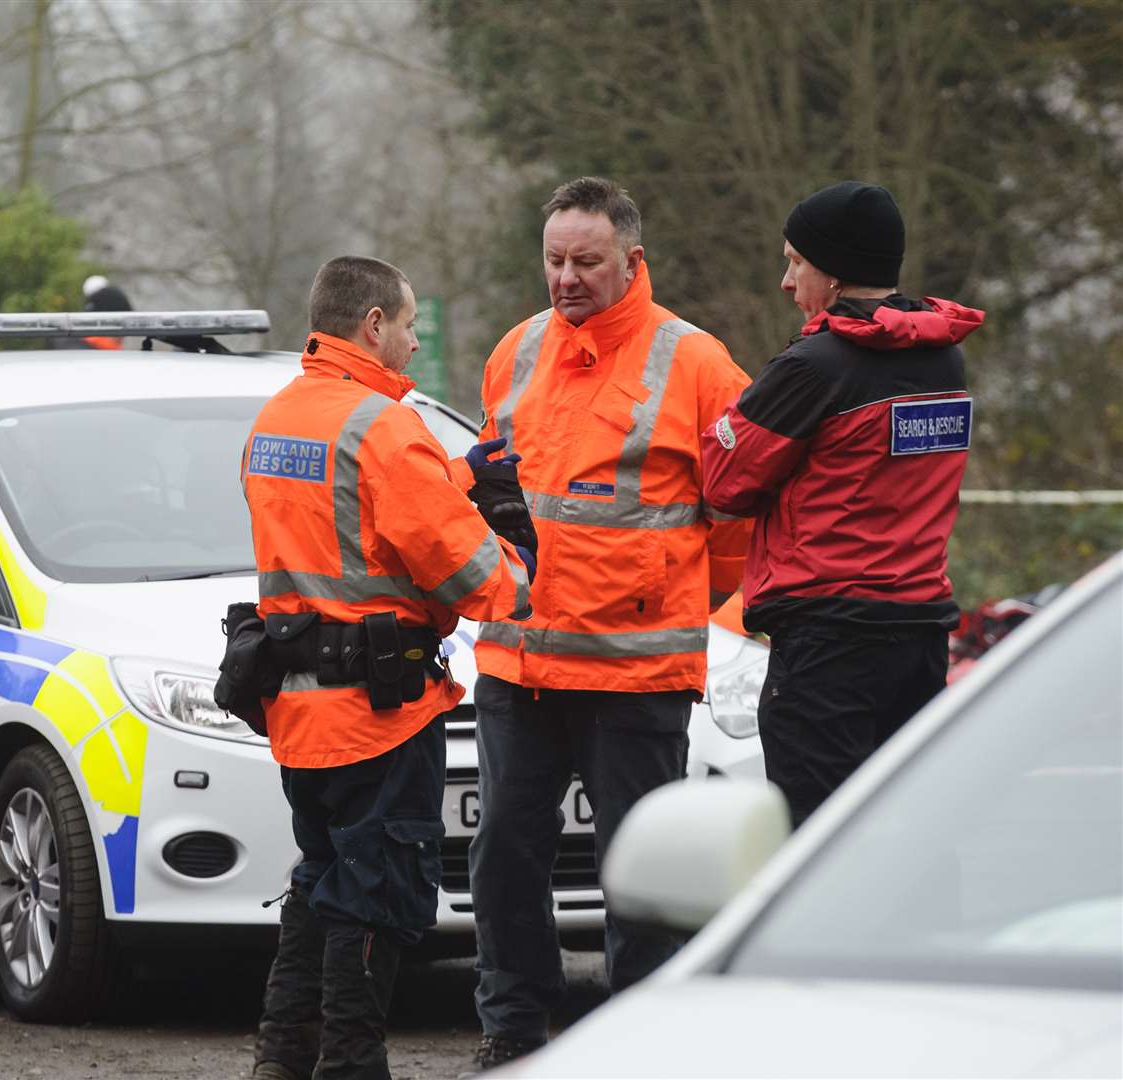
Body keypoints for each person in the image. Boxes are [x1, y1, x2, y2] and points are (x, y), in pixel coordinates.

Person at [456, 177, 752, 1072]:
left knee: (639, 871)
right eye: (552, 260)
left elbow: (738, 524)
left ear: (632, 259)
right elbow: (499, 495)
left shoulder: (698, 365)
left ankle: (641, 1039)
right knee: (504, 853)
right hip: (519, 660)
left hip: (637, 674)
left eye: (585, 261)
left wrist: (665, 603)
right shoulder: (515, 351)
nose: (565, 278)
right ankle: (511, 1028)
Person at [241, 255, 534, 1080]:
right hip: (380, 714)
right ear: (372, 325)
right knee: (378, 900)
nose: (411, 342)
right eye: (406, 326)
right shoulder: (385, 426)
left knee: (321, 881)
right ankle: (351, 1067)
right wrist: (517, 548)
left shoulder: (278, 419)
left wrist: (458, 476)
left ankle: (281, 1059)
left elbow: (350, 515)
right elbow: (474, 579)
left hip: (299, 709)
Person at [702, 180, 982, 828]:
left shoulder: (815, 366)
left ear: (831, 273)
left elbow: (724, 481)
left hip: (828, 645)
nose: (784, 281)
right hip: (917, 633)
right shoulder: (944, 362)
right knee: (910, 828)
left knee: (819, 841)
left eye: (794, 262)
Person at [80, 274, 131, 349]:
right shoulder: (117, 293)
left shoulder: (95, 298)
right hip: (118, 332)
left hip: (103, 338)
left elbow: (87, 319)